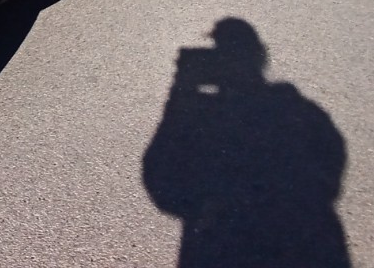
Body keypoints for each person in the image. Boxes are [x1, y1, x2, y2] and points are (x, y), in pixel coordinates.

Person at [143, 18, 350, 267]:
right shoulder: (299, 112)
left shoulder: (199, 119)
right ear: (260, 57)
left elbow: (162, 180)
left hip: (222, 247)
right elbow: (330, 170)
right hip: (307, 245)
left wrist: (180, 95)